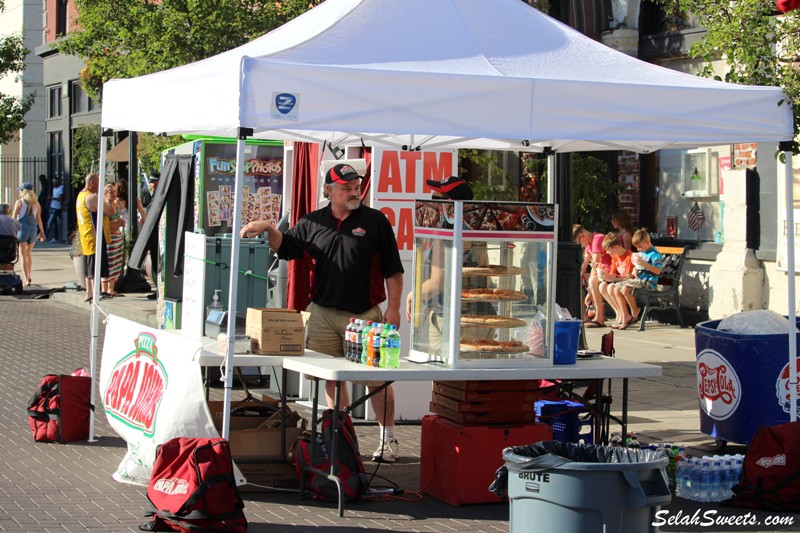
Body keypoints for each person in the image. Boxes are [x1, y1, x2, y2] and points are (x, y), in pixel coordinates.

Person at [241, 163, 404, 463]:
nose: (354, 192)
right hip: (323, 314)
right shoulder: (312, 222)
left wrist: (393, 308)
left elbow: (393, 270)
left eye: (356, 186)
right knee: (331, 379)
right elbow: (286, 248)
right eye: (346, 188)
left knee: (377, 380)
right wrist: (267, 228)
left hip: (365, 316)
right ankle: (343, 439)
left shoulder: (376, 221)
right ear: (329, 191)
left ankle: (388, 438)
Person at [404, 176, 490, 352]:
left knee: (445, 376)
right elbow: (484, 277)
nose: (432, 203)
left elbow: (437, 283)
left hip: (450, 318)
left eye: (436, 199)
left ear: (451, 203)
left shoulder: (446, 235)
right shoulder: (476, 230)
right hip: (481, 316)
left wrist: (413, 294)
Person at [608, 229, 663, 330]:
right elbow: (637, 266)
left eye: (640, 247)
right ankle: (625, 316)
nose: (639, 249)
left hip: (648, 281)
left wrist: (644, 263)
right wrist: (635, 269)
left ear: (647, 242)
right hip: (638, 280)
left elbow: (658, 271)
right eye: (637, 247)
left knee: (625, 289)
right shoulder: (643, 253)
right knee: (616, 289)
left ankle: (635, 311)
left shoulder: (655, 254)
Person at [76, 173, 115, 303]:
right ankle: (95, 293)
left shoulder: (80, 196)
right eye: (98, 184)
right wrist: (109, 200)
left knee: (88, 269)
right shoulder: (92, 197)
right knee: (95, 268)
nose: (100, 187)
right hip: (95, 237)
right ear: (92, 183)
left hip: (85, 236)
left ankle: (89, 293)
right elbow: (109, 211)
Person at [573, 224, 611, 328]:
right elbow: (584, 265)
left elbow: (595, 265)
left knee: (592, 281)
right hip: (603, 272)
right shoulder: (589, 244)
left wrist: (589, 291)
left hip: (609, 271)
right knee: (576, 279)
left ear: (582, 235)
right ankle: (585, 316)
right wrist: (578, 276)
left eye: (579, 242)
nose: (581, 245)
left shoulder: (597, 239)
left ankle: (599, 317)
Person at [599, 233, 635, 329]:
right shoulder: (615, 257)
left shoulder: (629, 256)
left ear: (616, 247)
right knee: (602, 286)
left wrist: (612, 278)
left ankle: (625, 315)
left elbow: (629, 277)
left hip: (629, 282)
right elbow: (614, 274)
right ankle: (618, 312)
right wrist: (606, 275)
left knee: (611, 287)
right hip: (620, 281)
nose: (608, 253)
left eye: (609, 251)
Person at [12, 182, 45, 286]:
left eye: (20, 190)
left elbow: (13, 218)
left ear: (23, 191)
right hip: (33, 230)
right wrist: (42, 232)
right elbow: (39, 219)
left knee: (22, 255)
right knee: (28, 253)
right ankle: (29, 275)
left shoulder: (19, 202)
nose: (19, 192)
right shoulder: (36, 203)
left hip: (22, 230)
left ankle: (26, 279)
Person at [101, 183, 126, 297]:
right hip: (109, 238)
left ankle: (112, 289)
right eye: (111, 192)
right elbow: (104, 224)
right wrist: (116, 223)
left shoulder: (116, 205)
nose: (113, 194)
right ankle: (104, 289)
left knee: (116, 263)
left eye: (114, 192)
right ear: (105, 194)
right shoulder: (104, 206)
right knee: (108, 264)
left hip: (117, 237)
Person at [145, 171, 160, 300]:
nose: (150, 184)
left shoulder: (160, 196)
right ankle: (158, 290)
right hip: (153, 236)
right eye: (150, 182)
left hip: (158, 235)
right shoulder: (154, 196)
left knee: (158, 264)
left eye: (153, 181)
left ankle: (160, 290)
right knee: (155, 264)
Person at [46, 176, 64, 243]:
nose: (53, 183)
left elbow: (61, 198)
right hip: (52, 206)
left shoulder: (60, 188)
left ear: (57, 182)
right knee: (54, 223)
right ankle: (55, 237)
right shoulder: (54, 189)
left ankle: (45, 235)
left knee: (49, 222)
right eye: (52, 182)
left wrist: (53, 198)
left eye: (54, 182)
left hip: (57, 208)